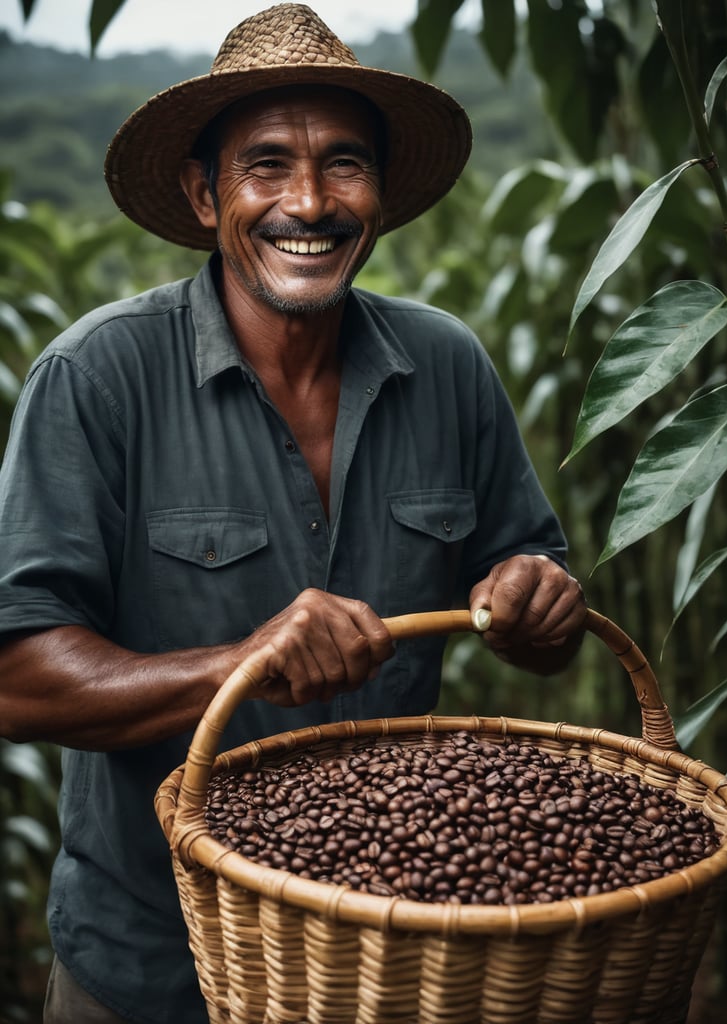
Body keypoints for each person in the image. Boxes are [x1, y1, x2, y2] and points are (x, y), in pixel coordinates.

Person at [0, 4, 587, 1022]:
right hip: (155, 965)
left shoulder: (448, 366)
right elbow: (14, 677)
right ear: (202, 193)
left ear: (383, 196)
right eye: (265, 164)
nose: (308, 202)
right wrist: (243, 660)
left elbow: (533, 601)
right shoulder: (100, 377)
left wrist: (534, 599)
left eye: (344, 165)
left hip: (395, 953)